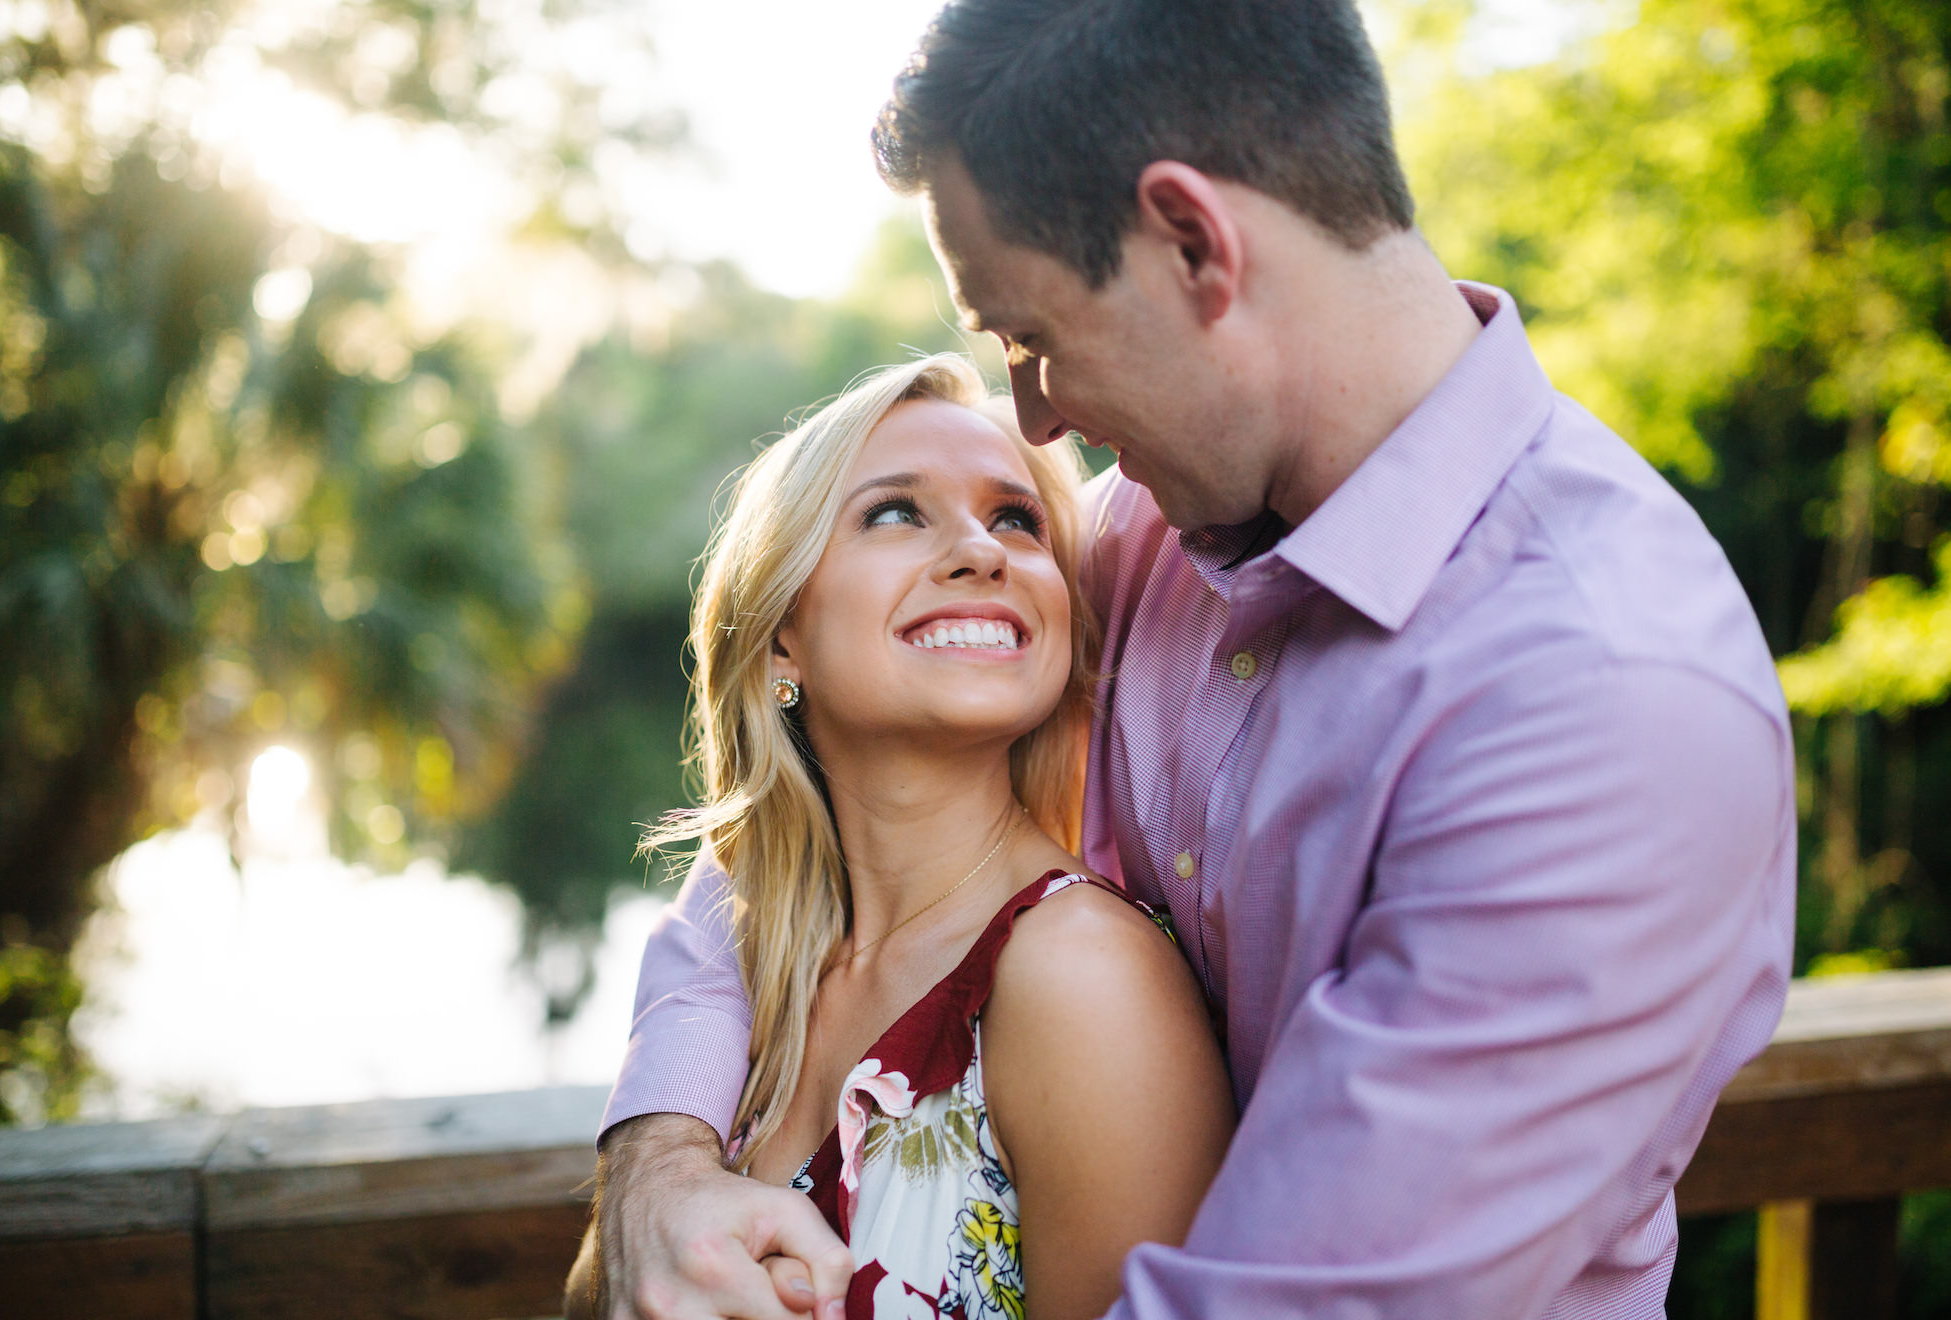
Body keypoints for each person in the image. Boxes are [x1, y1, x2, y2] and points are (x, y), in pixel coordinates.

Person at [586, 2, 1798, 1317]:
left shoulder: (1609, 706)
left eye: (1031, 337)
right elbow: (814, 805)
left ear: (1191, 243)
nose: (1037, 414)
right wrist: (660, 1149)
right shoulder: (1145, 538)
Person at [565, 356, 1234, 1320]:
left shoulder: (1076, 977)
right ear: (781, 635)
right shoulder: (761, 962)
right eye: (894, 512)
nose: (982, 550)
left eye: (1017, 519)